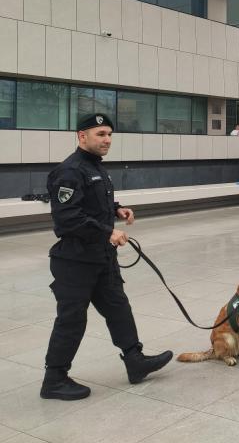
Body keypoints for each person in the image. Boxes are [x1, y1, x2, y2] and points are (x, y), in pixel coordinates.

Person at [42, 113, 172, 400]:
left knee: (117, 307)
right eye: (100, 134)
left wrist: (117, 210)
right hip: (75, 261)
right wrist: (107, 232)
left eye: (109, 134)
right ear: (82, 136)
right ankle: (54, 379)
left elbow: (93, 203)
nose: (107, 139)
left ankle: (134, 361)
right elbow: (67, 218)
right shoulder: (70, 171)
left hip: (100, 258)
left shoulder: (94, 168)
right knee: (72, 319)